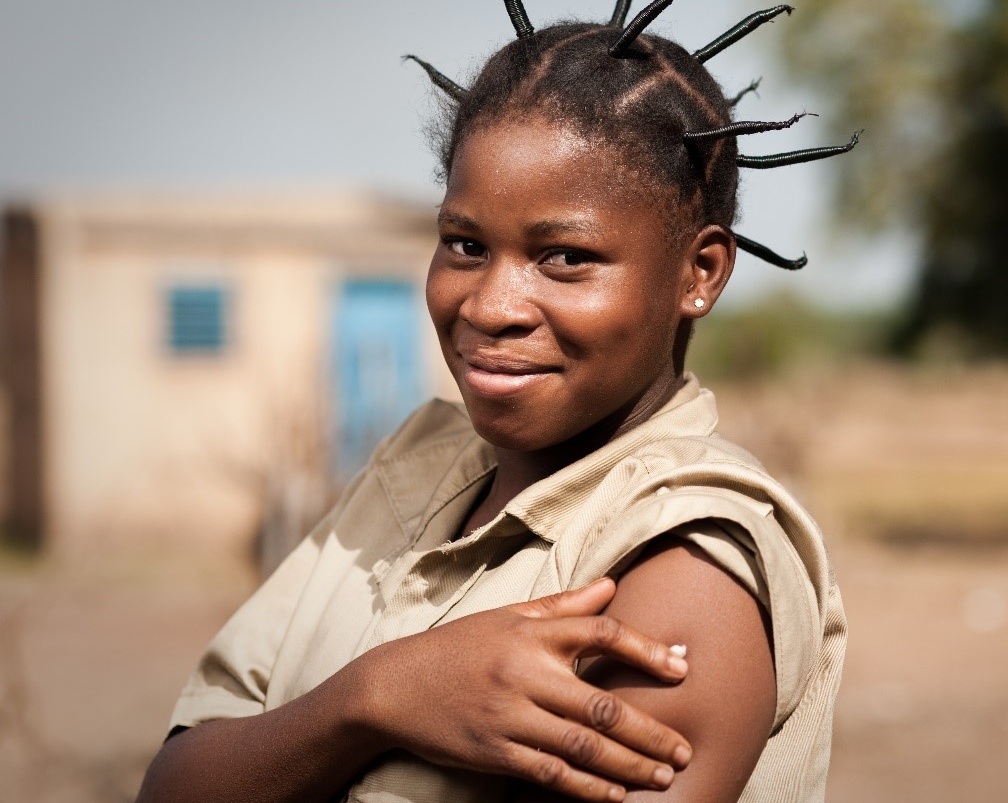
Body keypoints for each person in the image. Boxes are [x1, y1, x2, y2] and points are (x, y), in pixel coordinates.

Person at [139, 3, 855, 801]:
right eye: (465, 244)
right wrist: (372, 698)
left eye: (565, 256)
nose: (488, 304)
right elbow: (175, 781)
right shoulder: (412, 472)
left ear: (700, 273)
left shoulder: (685, 562)